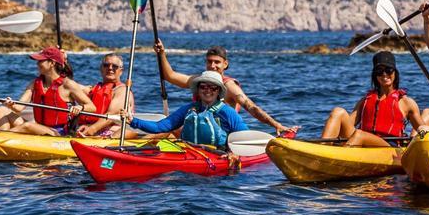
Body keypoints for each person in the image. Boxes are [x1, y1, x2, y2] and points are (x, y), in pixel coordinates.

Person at [154, 40, 297, 135]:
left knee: (166, 133)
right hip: (200, 129)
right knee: (167, 130)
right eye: (209, 62)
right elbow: (170, 76)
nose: (212, 66)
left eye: (217, 62)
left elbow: (250, 106)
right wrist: (161, 53)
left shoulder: (229, 86)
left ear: (225, 64)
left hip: (222, 134)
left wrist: (276, 125)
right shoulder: (199, 81)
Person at [319, 51, 422, 146]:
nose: (384, 74)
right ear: (375, 75)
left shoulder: (406, 102)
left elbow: (423, 130)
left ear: (395, 72)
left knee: (360, 134)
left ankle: (337, 159)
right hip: (362, 143)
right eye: (379, 71)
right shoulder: (365, 101)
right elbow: (347, 125)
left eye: (388, 70)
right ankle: (321, 151)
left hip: (388, 148)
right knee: (338, 112)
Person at [125, 71, 249, 148]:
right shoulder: (188, 109)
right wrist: (133, 121)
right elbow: (160, 127)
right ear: (198, 90)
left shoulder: (227, 112)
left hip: (218, 155)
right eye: (203, 87)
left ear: (218, 91)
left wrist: (234, 154)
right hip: (188, 152)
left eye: (213, 88)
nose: (208, 90)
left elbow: (245, 137)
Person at [0, 47, 96, 136]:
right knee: (0, 110)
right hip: (38, 127)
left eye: (40, 61)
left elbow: (92, 107)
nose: (37, 64)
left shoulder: (68, 84)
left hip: (58, 133)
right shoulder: (35, 83)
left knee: (28, 126)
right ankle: (4, 142)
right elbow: (19, 108)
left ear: (52, 63)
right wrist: (11, 104)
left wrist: (80, 107)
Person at [75, 53, 136, 138]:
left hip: (110, 134)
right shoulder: (93, 89)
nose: (110, 68)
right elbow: (70, 85)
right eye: (106, 65)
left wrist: (91, 130)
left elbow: (111, 116)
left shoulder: (123, 91)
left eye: (114, 66)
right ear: (101, 69)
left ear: (121, 71)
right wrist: (63, 63)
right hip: (88, 130)